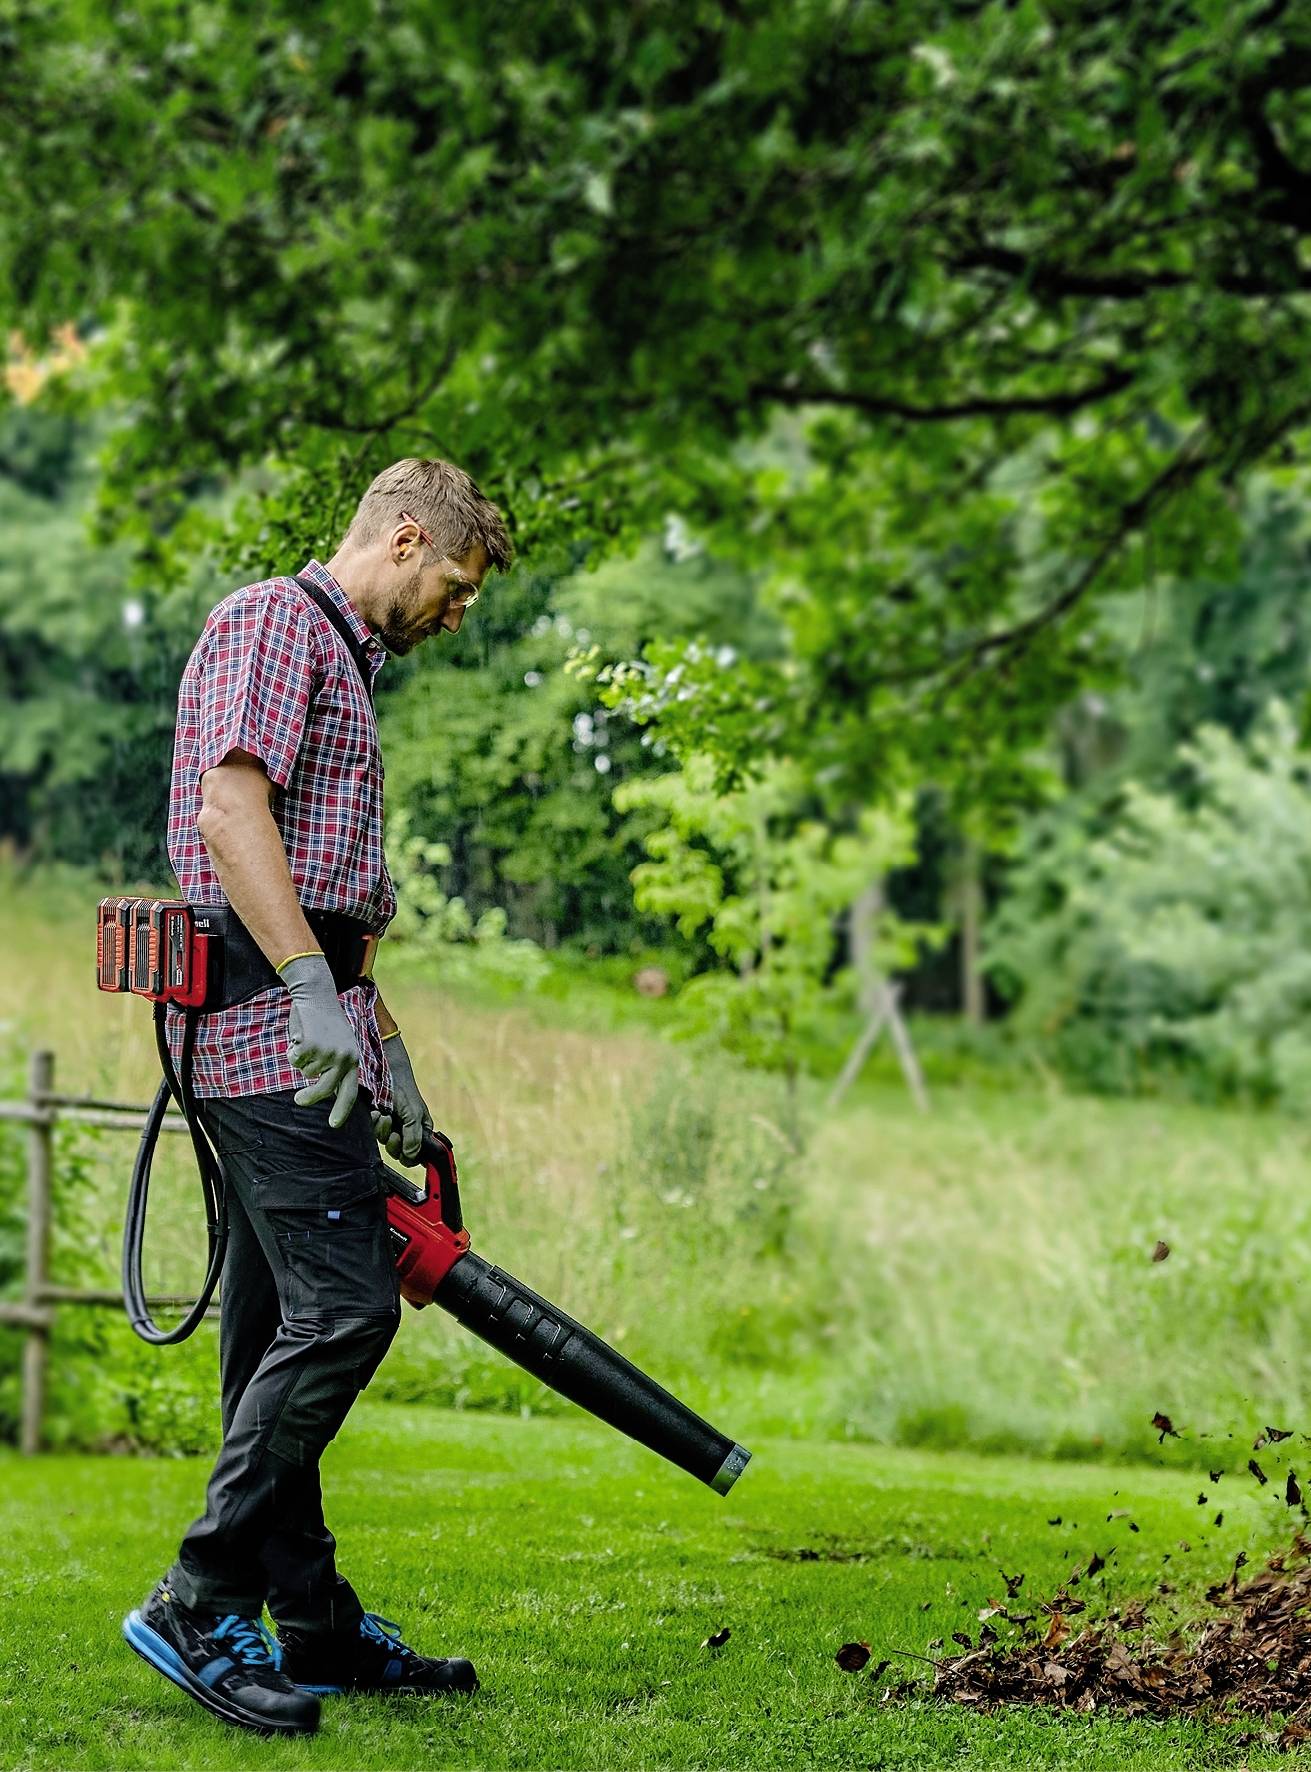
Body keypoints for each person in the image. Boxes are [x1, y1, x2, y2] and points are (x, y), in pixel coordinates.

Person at [121, 457, 512, 1736]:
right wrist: (301, 990)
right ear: (405, 539)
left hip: (310, 1031)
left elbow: (334, 902)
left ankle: (314, 1626)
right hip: (263, 1039)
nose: (459, 612)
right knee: (346, 1310)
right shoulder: (276, 623)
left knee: (273, 1331)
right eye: (454, 585)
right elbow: (232, 813)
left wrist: (377, 1036)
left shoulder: (344, 662)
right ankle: (198, 1596)